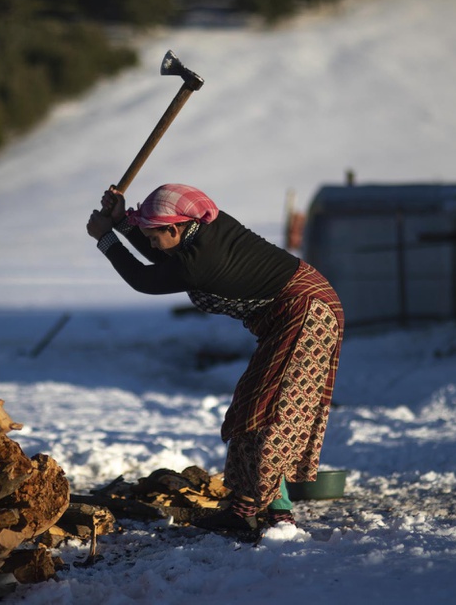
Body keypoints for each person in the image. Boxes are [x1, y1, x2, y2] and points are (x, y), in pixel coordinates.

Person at [86, 183, 344, 533]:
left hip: (309, 315)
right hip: (292, 316)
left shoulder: (205, 260)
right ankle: (245, 510)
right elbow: (165, 256)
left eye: (151, 235)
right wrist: (122, 222)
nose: (149, 242)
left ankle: (274, 515)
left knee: (269, 411)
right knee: (250, 406)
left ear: (175, 227)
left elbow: (146, 278)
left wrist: (107, 239)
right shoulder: (202, 230)